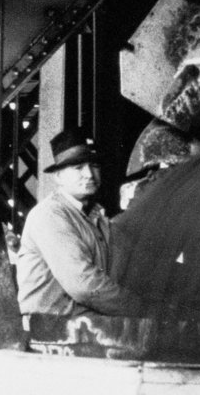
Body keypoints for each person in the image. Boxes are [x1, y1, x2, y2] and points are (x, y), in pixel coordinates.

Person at [16, 126, 145, 318]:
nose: (89, 174)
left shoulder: (96, 217)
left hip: (83, 322)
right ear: (58, 176)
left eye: (94, 166)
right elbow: (84, 286)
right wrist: (143, 308)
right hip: (51, 328)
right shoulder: (50, 215)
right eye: (78, 167)